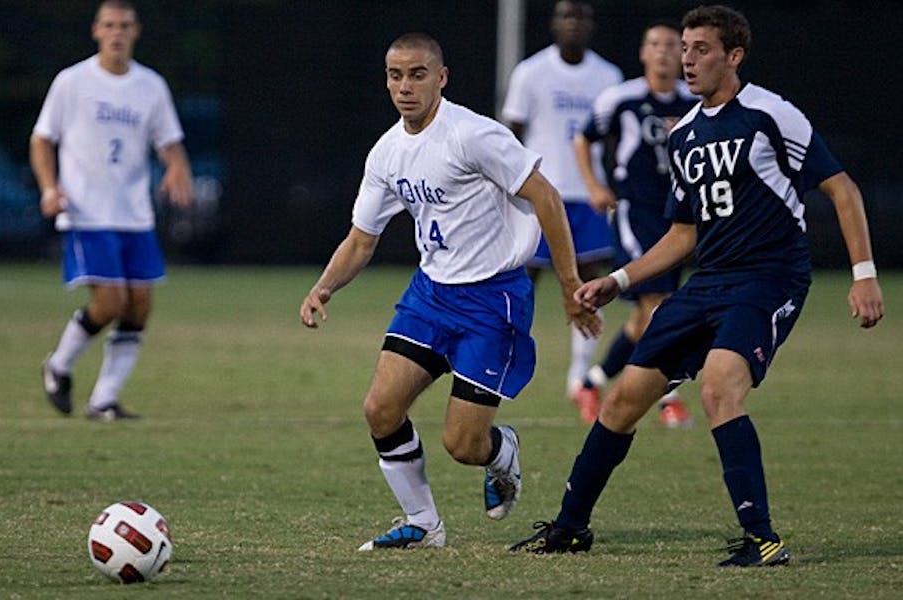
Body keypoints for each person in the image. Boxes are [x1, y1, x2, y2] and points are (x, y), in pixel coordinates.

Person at [510, 5, 884, 566]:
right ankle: (569, 529)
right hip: (708, 282)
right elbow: (683, 233)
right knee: (620, 402)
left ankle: (762, 539)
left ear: (733, 56)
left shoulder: (769, 114)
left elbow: (842, 189)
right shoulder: (684, 134)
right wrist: (618, 278)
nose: (687, 59)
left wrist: (864, 276)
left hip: (768, 278)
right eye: (683, 47)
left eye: (701, 49)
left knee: (717, 389)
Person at [299, 32, 599, 551]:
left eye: (418, 74)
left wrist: (569, 283)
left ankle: (501, 451)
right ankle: (422, 524)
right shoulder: (387, 152)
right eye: (396, 76)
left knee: (462, 444)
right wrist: (323, 288)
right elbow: (360, 240)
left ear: (441, 78)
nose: (405, 86)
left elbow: (546, 196)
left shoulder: (473, 135)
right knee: (380, 409)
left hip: (492, 299)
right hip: (431, 295)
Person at [31, 0, 193, 421]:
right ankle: (59, 365)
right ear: (96, 31)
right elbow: (42, 139)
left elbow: (169, 141)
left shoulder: (150, 86)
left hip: (133, 212)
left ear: (136, 31)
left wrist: (177, 168)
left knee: (139, 305)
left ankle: (104, 399)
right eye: (109, 25)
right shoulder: (72, 82)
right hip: (86, 210)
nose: (116, 33)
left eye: (124, 25)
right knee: (110, 301)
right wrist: (49, 187)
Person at [571, 20, 699, 427]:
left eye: (671, 45)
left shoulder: (692, 102)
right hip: (634, 211)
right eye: (654, 44)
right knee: (658, 309)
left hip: (677, 217)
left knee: (644, 319)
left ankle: (592, 382)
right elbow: (583, 137)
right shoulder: (622, 97)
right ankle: (669, 399)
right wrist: (594, 185)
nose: (663, 52)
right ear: (643, 53)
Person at [501, 0, 623, 421]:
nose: (573, 24)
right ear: (554, 23)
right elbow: (511, 133)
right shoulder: (531, 73)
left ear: (591, 25)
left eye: (582, 17)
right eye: (566, 16)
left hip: (588, 198)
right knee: (521, 281)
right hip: (540, 197)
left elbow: (611, 139)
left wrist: (610, 183)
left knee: (592, 285)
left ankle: (579, 378)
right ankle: (502, 364)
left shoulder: (608, 77)